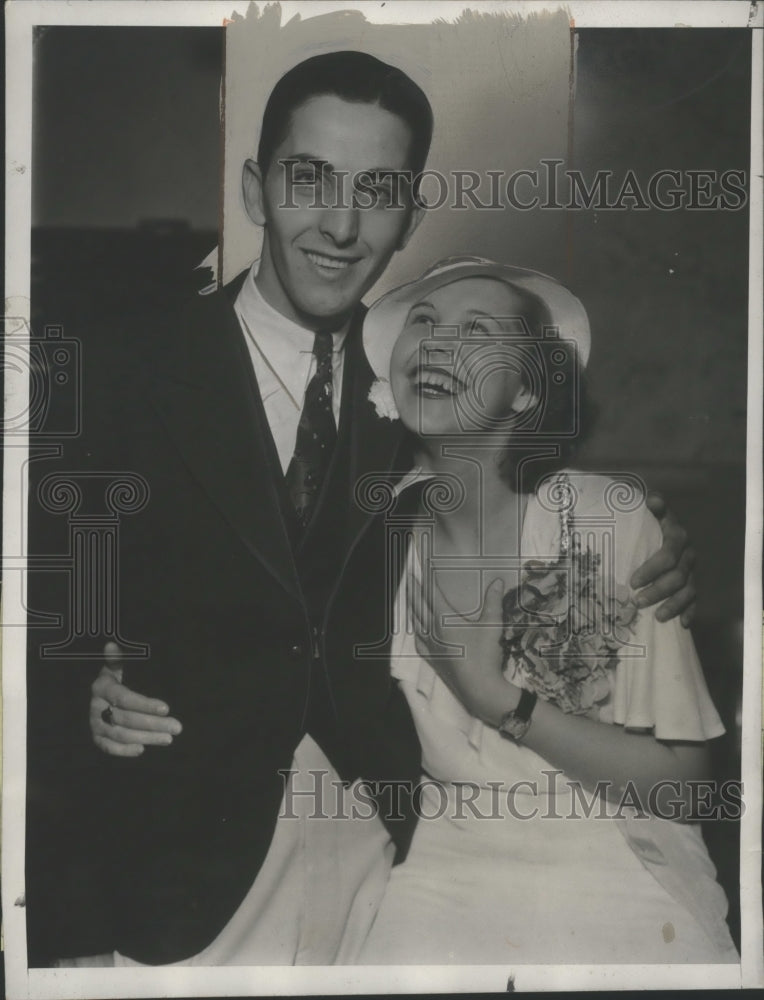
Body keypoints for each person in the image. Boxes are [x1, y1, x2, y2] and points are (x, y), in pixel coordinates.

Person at [75, 53, 696, 967]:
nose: (339, 223)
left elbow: (526, 502)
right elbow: (49, 574)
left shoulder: (421, 373)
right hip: (181, 867)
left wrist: (655, 541)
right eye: (308, 180)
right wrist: (85, 674)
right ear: (256, 190)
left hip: (387, 854)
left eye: (378, 189)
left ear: (409, 214)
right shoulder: (121, 363)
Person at [341, 257, 736, 964]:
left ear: (524, 391)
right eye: (424, 324)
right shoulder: (369, 532)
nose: (435, 345)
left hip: (615, 856)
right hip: (439, 864)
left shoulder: (606, 523)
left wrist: (502, 701)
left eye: (477, 332)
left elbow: (687, 789)